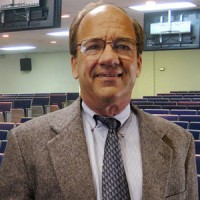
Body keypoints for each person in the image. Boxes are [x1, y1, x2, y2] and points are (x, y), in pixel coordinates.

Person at [0, 1, 198, 200]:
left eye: (122, 46)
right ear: (74, 64)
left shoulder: (179, 142)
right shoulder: (26, 144)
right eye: (93, 46)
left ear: (138, 64)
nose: (109, 58)